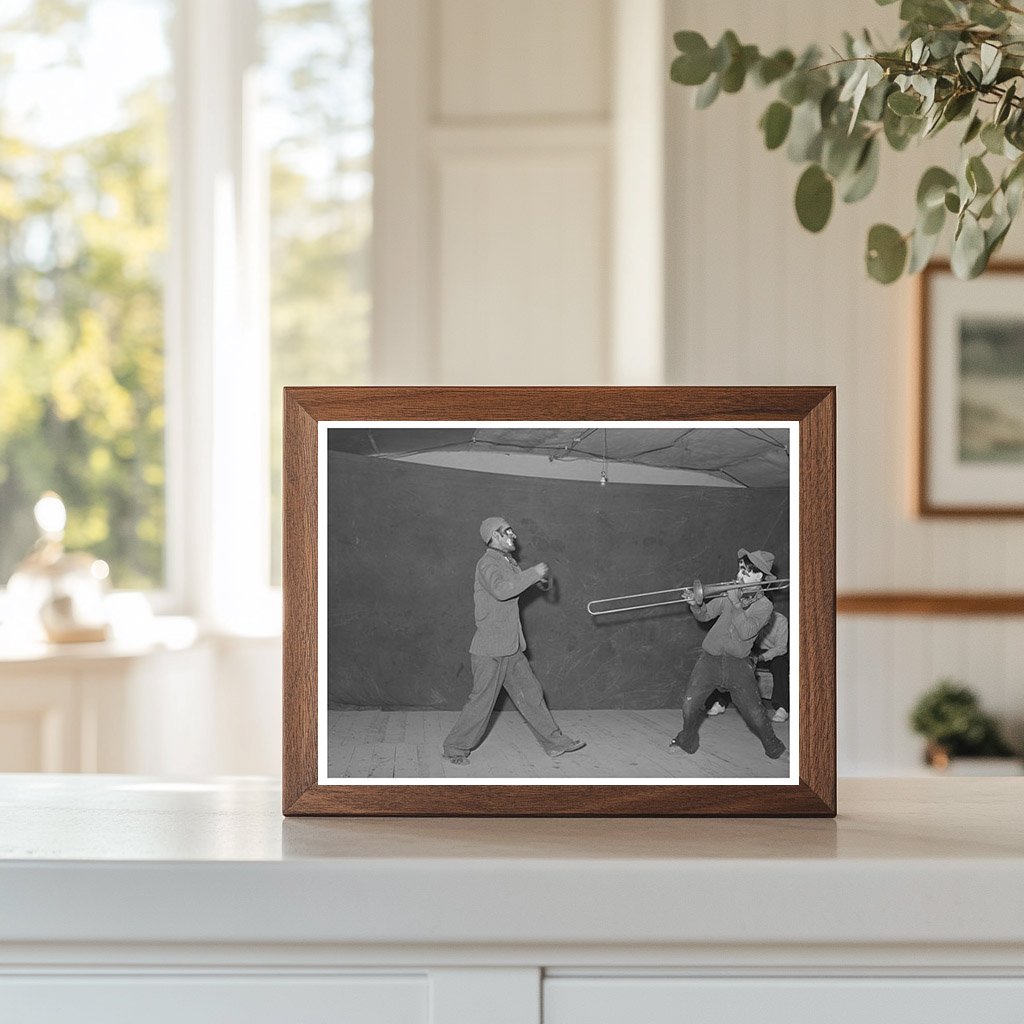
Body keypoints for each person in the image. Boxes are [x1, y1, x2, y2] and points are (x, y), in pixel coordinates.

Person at [442, 516, 586, 765]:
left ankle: (554, 743)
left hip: (510, 647)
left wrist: (539, 581)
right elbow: (502, 590)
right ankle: (454, 748)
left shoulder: (507, 561)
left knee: (531, 693)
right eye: (507, 531)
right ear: (494, 537)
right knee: (481, 702)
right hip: (490, 649)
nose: (514, 535)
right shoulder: (487, 563)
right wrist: (533, 573)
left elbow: (516, 585)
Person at [670, 548, 786, 760]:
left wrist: (735, 604)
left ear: (759, 576)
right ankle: (686, 741)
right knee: (689, 703)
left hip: (738, 665)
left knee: (755, 715)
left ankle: (775, 748)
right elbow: (705, 615)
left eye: (747, 572)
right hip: (710, 660)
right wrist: (696, 605)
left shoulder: (764, 606)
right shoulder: (729, 593)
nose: (740, 574)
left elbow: (747, 631)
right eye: (740, 569)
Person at [756, 609, 790, 722]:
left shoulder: (781, 620)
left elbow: (781, 648)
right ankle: (721, 702)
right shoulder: (753, 615)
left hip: (775, 653)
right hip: (756, 651)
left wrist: (761, 657)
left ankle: (782, 708)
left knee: (780, 664)